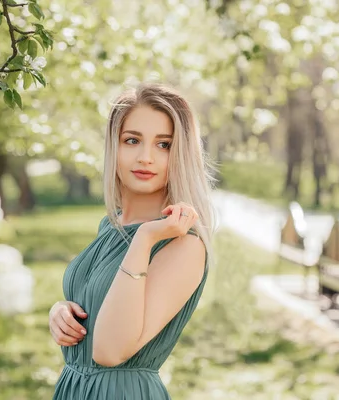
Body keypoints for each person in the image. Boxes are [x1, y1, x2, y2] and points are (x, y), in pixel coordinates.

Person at [49, 82, 216, 399]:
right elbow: (99, 307)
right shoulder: (109, 227)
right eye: (132, 140)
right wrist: (60, 311)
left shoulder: (183, 245)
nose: (145, 157)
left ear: (181, 154)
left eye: (163, 145)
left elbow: (110, 351)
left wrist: (145, 238)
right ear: (115, 146)